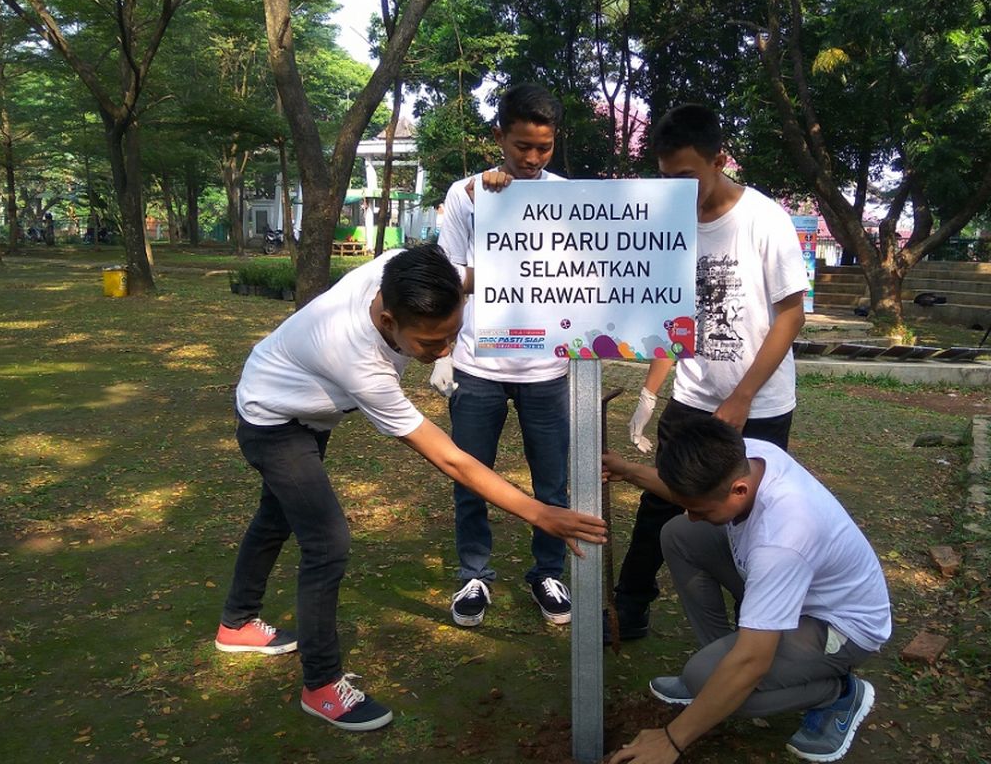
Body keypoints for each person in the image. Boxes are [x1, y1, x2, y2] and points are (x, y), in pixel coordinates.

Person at [214, 244, 607, 732]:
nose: (444, 351)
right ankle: (320, 685)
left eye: (453, 336)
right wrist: (538, 512)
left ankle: (236, 624)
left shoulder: (402, 268)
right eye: (429, 343)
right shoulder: (357, 357)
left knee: (275, 518)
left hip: (308, 406)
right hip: (273, 419)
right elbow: (450, 458)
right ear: (386, 321)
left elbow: (470, 276)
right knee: (326, 542)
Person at [610, 103, 810, 641]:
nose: (674, 190)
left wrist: (743, 398)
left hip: (761, 405)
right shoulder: (669, 225)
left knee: (751, 516)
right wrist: (652, 394)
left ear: (719, 160)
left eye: (684, 178)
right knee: (659, 504)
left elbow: (791, 314)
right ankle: (629, 607)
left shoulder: (764, 219)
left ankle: (762, 626)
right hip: (694, 397)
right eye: (664, 178)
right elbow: (674, 318)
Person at [603, 415, 891, 763]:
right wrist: (630, 471)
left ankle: (838, 693)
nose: (693, 514)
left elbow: (754, 660)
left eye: (701, 510)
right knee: (681, 534)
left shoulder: (783, 539)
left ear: (739, 490)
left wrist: (671, 740)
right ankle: (717, 674)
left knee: (729, 676)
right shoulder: (746, 456)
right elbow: (700, 498)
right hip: (796, 589)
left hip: (839, 625)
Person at [430, 84, 575, 628]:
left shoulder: (568, 198)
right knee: (470, 474)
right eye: (521, 147)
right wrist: (500, 209)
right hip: (478, 365)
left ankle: (548, 572)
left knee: (552, 480)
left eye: (543, 148)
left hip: (548, 368)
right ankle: (474, 575)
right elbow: (449, 276)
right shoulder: (469, 194)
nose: (533, 159)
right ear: (499, 137)